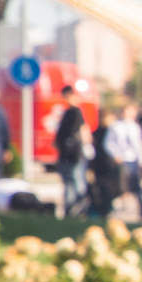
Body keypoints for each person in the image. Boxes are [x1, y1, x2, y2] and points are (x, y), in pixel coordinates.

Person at [105, 104, 142, 220]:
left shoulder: (134, 126)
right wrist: (116, 154)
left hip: (133, 160)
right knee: (121, 186)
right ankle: (109, 211)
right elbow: (108, 143)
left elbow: (138, 145)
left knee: (136, 187)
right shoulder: (116, 126)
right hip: (122, 160)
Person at [53, 85, 91, 217]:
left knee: (74, 181)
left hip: (73, 154)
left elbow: (71, 134)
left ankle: (76, 208)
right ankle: (72, 209)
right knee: (71, 181)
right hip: (68, 154)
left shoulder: (75, 112)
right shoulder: (70, 112)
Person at [89, 109, 121, 216]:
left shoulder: (110, 131)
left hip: (107, 163)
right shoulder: (102, 132)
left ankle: (106, 208)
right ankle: (104, 209)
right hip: (102, 163)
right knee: (103, 187)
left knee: (109, 187)